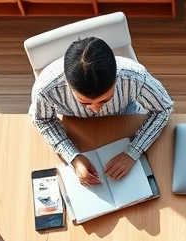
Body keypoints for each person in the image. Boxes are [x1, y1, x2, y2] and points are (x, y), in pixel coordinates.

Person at [30, 37, 174, 187]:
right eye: (84, 102)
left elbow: (164, 108)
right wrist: (72, 156)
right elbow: (42, 119)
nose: (96, 109)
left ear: (116, 78)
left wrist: (134, 151)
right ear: (67, 84)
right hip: (77, 130)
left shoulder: (134, 76)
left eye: (105, 100)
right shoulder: (46, 89)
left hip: (125, 122)